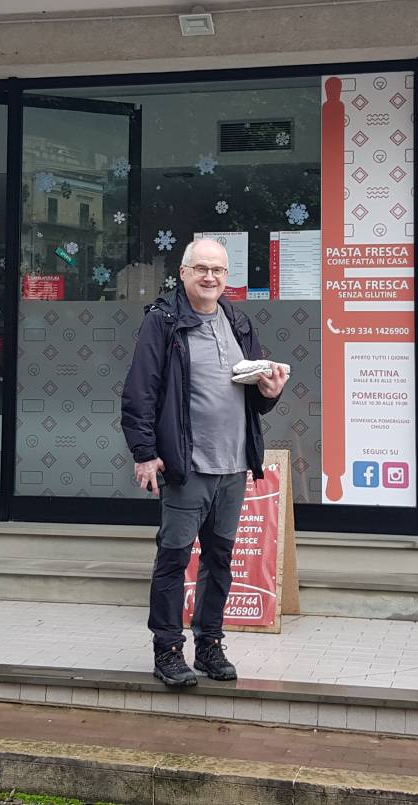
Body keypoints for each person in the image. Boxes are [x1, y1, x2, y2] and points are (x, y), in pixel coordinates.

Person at [121, 237, 290, 687]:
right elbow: (139, 393)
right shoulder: (163, 322)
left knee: (220, 560)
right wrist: (144, 453)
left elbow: (254, 398)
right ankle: (167, 650)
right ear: (183, 273)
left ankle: (210, 645)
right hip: (188, 467)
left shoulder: (238, 322)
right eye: (201, 269)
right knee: (174, 559)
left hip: (233, 466)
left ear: (226, 276)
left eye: (217, 270)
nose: (209, 277)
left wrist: (270, 392)